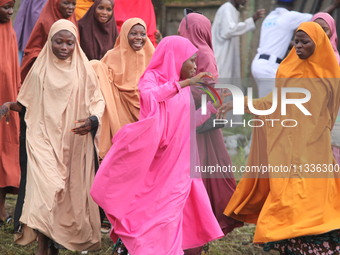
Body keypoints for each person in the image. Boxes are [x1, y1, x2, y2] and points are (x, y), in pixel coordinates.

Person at [90, 35, 224, 255]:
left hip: (182, 166)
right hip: (159, 164)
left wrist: (211, 110)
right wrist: (184, 84)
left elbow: (187, 121)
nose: (195, 66)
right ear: (175, 58)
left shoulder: (183, 89)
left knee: (175, 218)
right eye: (190, 60)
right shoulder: (152, 79)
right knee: (153, 216)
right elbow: (150, 98)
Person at [222, 22, 340, 255]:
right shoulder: (287, 68)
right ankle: (293, 246)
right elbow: (272, 102)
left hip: (314, 148)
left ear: (318, 43)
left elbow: (330, 110)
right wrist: (241, 102)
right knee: (287, 199)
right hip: (285, 148)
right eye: (296, 41)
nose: (298, 46)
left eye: (304, 41)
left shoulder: (329, 74)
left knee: (312, 201)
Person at [0, 19, 105, 255]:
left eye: (70, 43)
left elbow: (97, 100)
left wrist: (92, 121)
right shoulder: (40, 69)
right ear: (50, 41)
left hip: (73, 141)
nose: (64, 47)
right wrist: (10, 105)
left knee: (65, 196)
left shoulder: (84, 69)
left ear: (76, 44)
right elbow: (27, 102)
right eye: (59, 41)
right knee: (45, 191)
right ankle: (42, 246)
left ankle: (53, 243)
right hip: (43, 139)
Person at [178, 12, 243, 255]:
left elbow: (207, 90)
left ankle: (197, 234)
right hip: (194, 122)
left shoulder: (201, 53)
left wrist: (180, 90)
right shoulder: (192, 49)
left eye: (185, 27)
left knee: (200, 178)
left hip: (199, 125)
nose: (180, 31)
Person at [91, 18, 154, 159]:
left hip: (146, 115)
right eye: (133, 33)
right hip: (118, 116)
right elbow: (102, 82)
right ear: (125, 34)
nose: (138, 38)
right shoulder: (111, 56)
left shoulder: (153, 56)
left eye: (142, 34)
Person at [251, 0, 340, 98]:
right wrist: (334, 5)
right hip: (269, 67)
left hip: (258, 64)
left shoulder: (269, 18)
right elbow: (317, 19)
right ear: (292, 5)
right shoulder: (289, 16)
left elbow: (284, 43)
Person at [20, 0, 77, 82]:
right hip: (45, 72)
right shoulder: (45, 21)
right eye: (66, 3)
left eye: (73, 4)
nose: (70, 7)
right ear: (55, 3)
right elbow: (33, 49)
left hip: (69, 72)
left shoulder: (72, 20)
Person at [0, 0, 20, 227]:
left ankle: (1, 204)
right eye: (5, 6)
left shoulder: (10, 32)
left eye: (11, 7)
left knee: (5, 150)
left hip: (6, 101)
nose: (9, 11)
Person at [312, 12, 340, 166]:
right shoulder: (302, 55)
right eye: (316, 28)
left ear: (332, 32)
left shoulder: (335, 59)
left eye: (325, 30)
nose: (320, 34)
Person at [212, 0, 265, 81]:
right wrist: (252, 19)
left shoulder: (233, 9)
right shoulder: (227, 8)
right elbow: (229, 30)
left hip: (228, 58)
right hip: (221, 57)